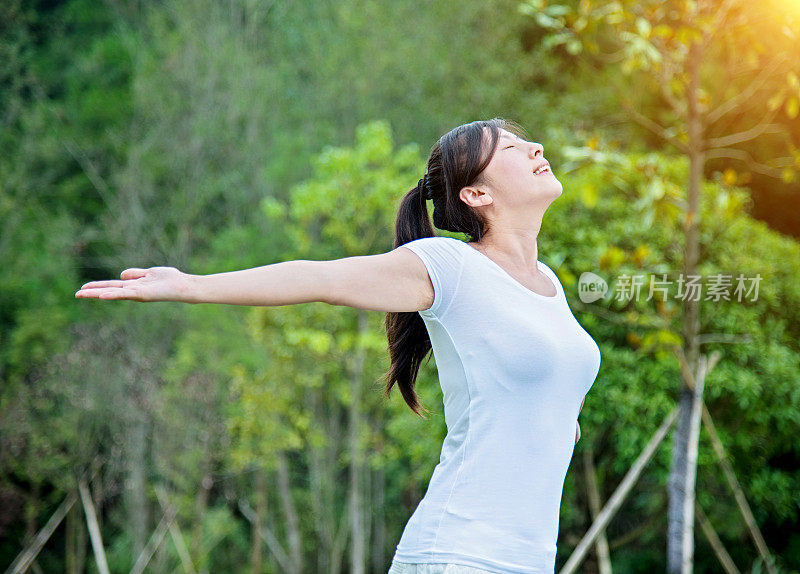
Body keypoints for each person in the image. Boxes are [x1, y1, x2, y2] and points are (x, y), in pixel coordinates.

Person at [75, 118, 601, 574]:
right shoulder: (450, 266)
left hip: (527, 558)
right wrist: (191, 285)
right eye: (509, 148)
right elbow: (319, 278)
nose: (534, 149)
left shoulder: (549, 284)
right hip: (460, 553)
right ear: (476, 193)